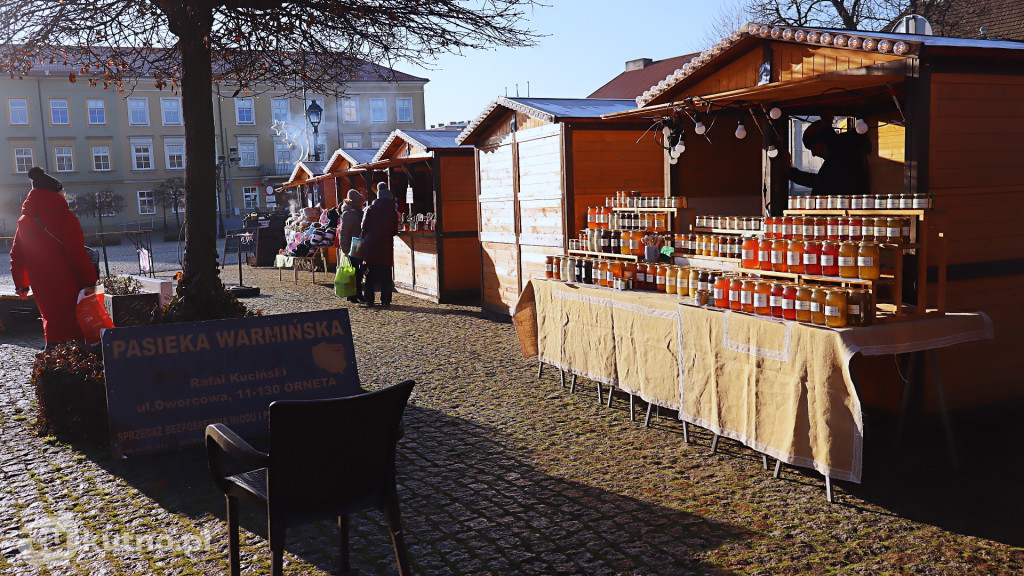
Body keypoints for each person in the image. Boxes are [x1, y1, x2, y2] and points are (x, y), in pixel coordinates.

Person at [10, 167, 99, 348]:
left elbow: (17, 256)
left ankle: (52, 357)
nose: (64, 195)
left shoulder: (24, 221)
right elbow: (76, 253)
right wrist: (90, 280)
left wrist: (22, 285)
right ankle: (75, 362)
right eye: (62, 191)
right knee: (73, 323)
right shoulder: (65, 216)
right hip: (68, 280)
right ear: (54, 193)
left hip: (40, 282)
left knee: (51, 319)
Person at [785, 118, 872, 197]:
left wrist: (789, 172)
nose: (813, 154)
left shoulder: (841, 156)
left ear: (822, 141)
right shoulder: (846, 152)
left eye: (812, 148)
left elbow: (822, 181)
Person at [360, 182, 399, 307]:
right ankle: (386, 300)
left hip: (371, 245)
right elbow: (394, 231)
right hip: (386, 246)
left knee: (370, 274)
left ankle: (369, 299)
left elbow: (364, 226)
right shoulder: (393, 212)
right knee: (386, 274)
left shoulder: (371, 209)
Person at [337, 189, 365, 303]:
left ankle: (357, 293)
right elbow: (344, 233)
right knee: (353, 271)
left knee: (358, 271)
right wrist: (345, 248)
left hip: (358, 244)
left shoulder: (357, 213)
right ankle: (353, 294)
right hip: (352, 245)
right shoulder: (348, 214)